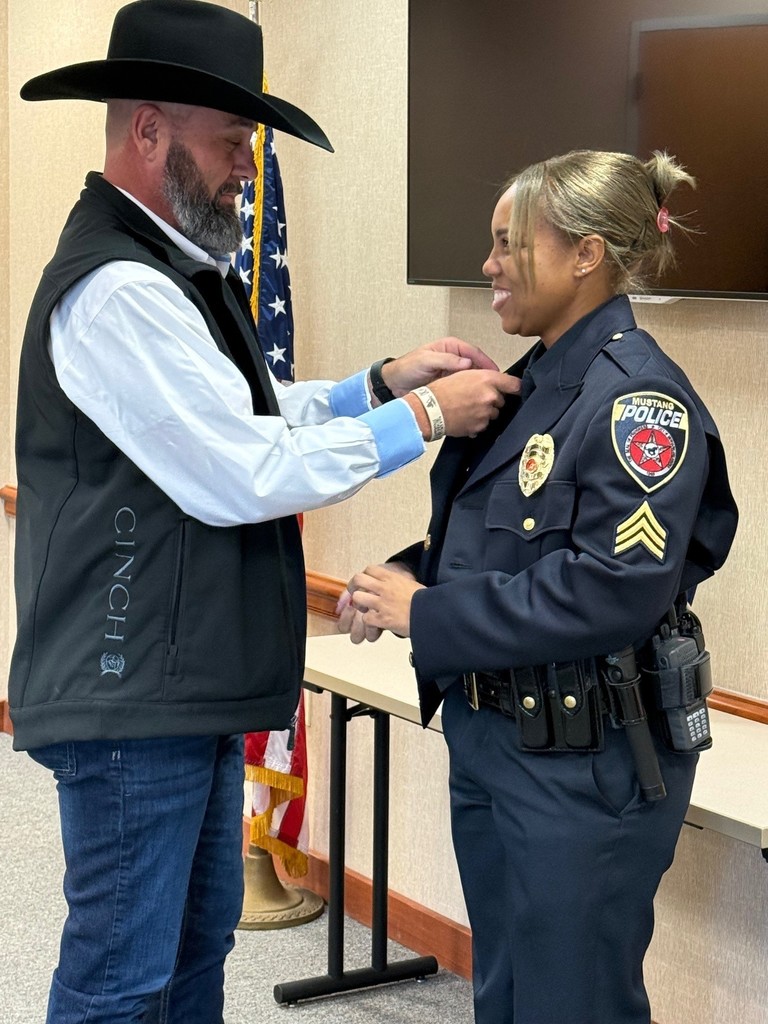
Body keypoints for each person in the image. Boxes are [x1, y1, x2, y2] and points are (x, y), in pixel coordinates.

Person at [8, 2, 521, 1022]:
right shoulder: (118, 288)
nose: (248, 164)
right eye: (232, 140)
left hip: (175, 688)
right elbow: (237, 468)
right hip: (130, 699)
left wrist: (372, 384)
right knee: (121, 980)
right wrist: (419, 416)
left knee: (193, 953)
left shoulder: (167, 272)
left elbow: (236, 410)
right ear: (149, 131)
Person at [339, 149, 738, 1024]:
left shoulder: (639, 404)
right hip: (498, 739)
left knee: (573, 1001)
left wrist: (431, 611)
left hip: (587, 765)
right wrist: (411, 573)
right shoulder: (528, 385)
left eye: (507, 243)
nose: (487, 265)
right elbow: (506, 542)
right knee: (508, 993)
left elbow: (616, 587)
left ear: (586, 255)